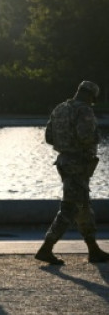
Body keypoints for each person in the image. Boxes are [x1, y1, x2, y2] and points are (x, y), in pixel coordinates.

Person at [36, 80, 109, 265]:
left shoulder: (60, 108)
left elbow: (49, 137)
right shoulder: (84, 110)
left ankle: (93, 249)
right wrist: (95, 137)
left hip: (64, 161)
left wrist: (65, 145)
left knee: (82, 205)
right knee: (70, 207)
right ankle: (46, 248)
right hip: (78, 163)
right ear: (90, 96)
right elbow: (85, 137)